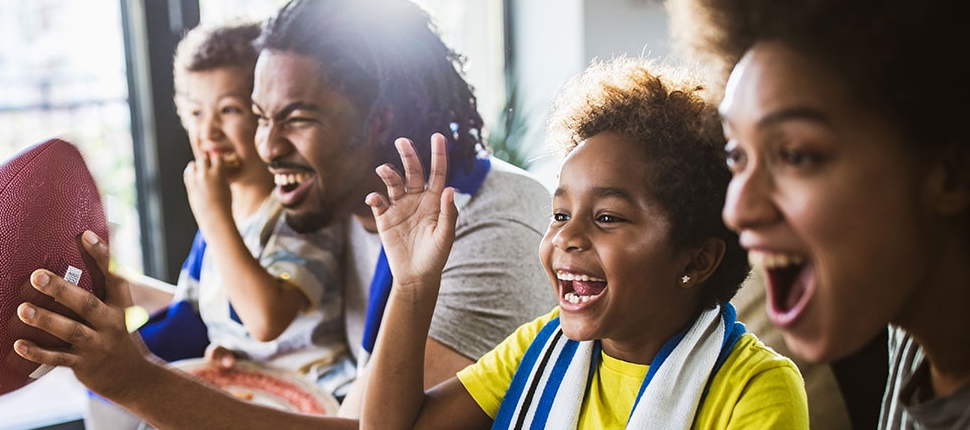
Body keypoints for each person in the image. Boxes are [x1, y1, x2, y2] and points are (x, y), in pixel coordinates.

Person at [11, 0, 550, 427]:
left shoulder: (487, 229)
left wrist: (135, 380)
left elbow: (367, 428)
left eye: (295, 118)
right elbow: (230, 305)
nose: (266, 146)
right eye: (261, 116)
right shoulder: (341, 192)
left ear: (380, 119)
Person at [359, 58, 807, 429]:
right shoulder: (538, 347)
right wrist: (413, 285)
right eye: (559, 214)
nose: (566, 237)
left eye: (607, 218)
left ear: (700, 258)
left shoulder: (756, 389)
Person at [668, 0, 970, 428]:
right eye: (737, 155)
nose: (738, 210)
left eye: (794, 155)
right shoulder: (916, 342)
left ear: (952, 175)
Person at [132, 19, 355, 397]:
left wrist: (213, 216)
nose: (209, 132)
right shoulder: (223, 213)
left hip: (317, 396)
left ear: (266, 111)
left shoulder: (300, 210)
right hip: (252, 391)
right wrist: (121, 288)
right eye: (197, 113)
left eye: (230, 110)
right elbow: (196, 306)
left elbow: (266, 319)